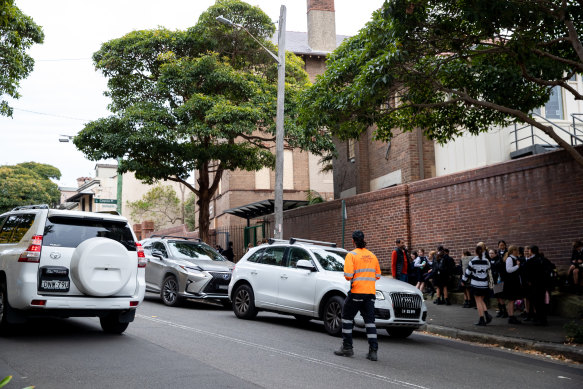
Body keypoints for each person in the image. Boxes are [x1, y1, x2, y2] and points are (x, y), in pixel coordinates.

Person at [334, 230, 381, 362]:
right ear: (364, 239)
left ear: (353, 241)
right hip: (370, 293)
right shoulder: (372, 255)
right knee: (370, 322)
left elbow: (348, 276)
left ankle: (347, 347)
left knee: (347, 318)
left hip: (357, 292)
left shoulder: (351, 255)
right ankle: (373, 351)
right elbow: (377, 275)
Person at [461, 245, 493, 326]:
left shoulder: (473, 261)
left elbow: (467, 273)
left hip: (476, 284)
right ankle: (487, 316)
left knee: (478, 302)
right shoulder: (487, 261)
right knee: (481, 300)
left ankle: (482, 319)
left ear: (475, 252)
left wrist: (463, 281)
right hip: (484, 284)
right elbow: (489, 272)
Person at [489, 248, 507, 318]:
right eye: (490, 253)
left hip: (498, 280)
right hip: (493, 280)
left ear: (496, 254)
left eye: (492, 253)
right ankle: (501, 311)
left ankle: (504, 312)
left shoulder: (499, 260)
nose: (491, 255)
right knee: (497, 296)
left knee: (500, 296)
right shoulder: (490, 260)